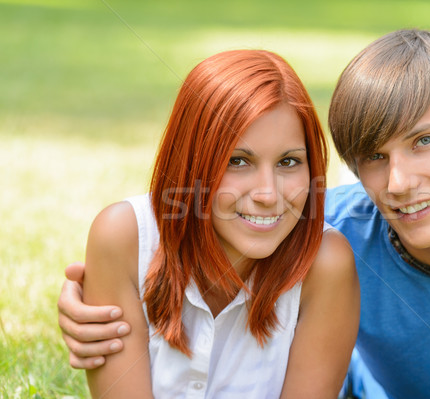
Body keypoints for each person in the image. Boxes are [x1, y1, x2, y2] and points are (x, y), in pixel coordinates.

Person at [58, 30, 430, 398]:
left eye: (425, 140)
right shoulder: (323, 231)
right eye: (373, 157)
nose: (399, 182)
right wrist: (91, 303)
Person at [72, 49, 359, 398]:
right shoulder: (124, 237)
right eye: (238, 161)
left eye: (288, 162)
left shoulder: (325, 264)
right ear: (191, 162)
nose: (268, 194)